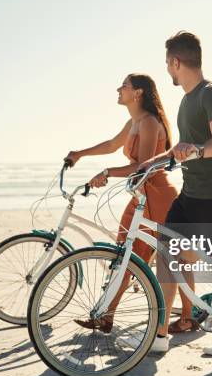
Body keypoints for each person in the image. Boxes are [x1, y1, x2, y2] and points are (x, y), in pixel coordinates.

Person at [141, 31, 212, 355]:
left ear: (176, 62)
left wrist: (199, 150)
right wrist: (145, 167)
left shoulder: (210, 94)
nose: (167, 69)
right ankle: (160, 333)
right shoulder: (186, 101)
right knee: (167, 251)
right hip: (190, 196)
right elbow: (181, 150)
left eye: (167, 63)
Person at [64, 73, 179, 352]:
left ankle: (185, 316)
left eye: (124, 86)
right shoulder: (134, 122)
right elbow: (111, 145)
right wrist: (80, 153)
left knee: (162, 260)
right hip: (141, 197)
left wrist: (108, 172)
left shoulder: (150, 122)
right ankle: (106, 315)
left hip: (158, 196)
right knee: (123, 254)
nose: (118, 89)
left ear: (138, 92)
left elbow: (143, 166)